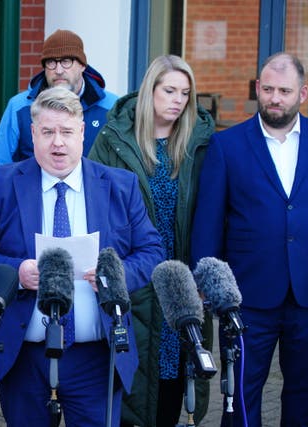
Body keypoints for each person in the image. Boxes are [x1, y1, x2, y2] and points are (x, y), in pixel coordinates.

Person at [0, 86, 164, 426]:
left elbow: (152, 251)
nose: (58, 143)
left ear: (82, 132)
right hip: (25, 357)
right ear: (33, 134)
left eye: (67, 132)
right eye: (48, 132)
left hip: (96, 357)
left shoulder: (120, 186)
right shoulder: (1, 183)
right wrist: (17, 272)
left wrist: (116, 274)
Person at [191, 52, 308, 427]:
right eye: (268, 89)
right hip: (247, 294)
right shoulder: (226, 145)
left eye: (285, 91)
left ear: (302, 94)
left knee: (306, 393)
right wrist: (205, 281)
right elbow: (209, 219)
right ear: (257, 89)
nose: (275, 98)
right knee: (241, 393)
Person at [88, 55, 215, 427]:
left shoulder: (199, 143)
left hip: (179, 283)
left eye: (185, 94)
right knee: (128, 379)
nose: (178, 100)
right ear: (150, 91)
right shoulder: (114, 140)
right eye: (170, 90)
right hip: (132, 278)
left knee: (172, 378)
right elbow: (95, 206)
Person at [0, 29, 118, 164]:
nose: (58, 70)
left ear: (82, 65)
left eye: (66, 61)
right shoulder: (19, 107)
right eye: (51, 62)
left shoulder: (112, 107)